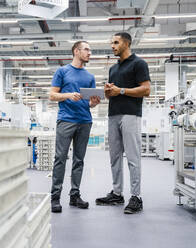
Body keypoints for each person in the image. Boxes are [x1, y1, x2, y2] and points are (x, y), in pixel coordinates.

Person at [95, 32, 151, 214]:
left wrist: (120, 91)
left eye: (116, 42)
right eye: (111, 42)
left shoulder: (139, 64)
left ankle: (136, 197)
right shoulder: (113, 69)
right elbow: (113, 93)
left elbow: (146, 90)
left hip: (130, 114)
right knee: (114, 157)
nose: (112, 46)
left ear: (127, 44)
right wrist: (108, 92)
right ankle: (117, 193)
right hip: (113, 115)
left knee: (133, 158)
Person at [49, 41, 100, 213]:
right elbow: (52, 95)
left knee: (79, 160)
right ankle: (55, 197)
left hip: (85, 121)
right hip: (66, 120)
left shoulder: (90, 77)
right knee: (60, 158)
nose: (90, 53)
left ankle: (74, 195)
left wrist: (93, 103)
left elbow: (90, 103)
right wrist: (68, 95)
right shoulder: (62, 71)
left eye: (90, 50)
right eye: (87, 49)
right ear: (76, 51)